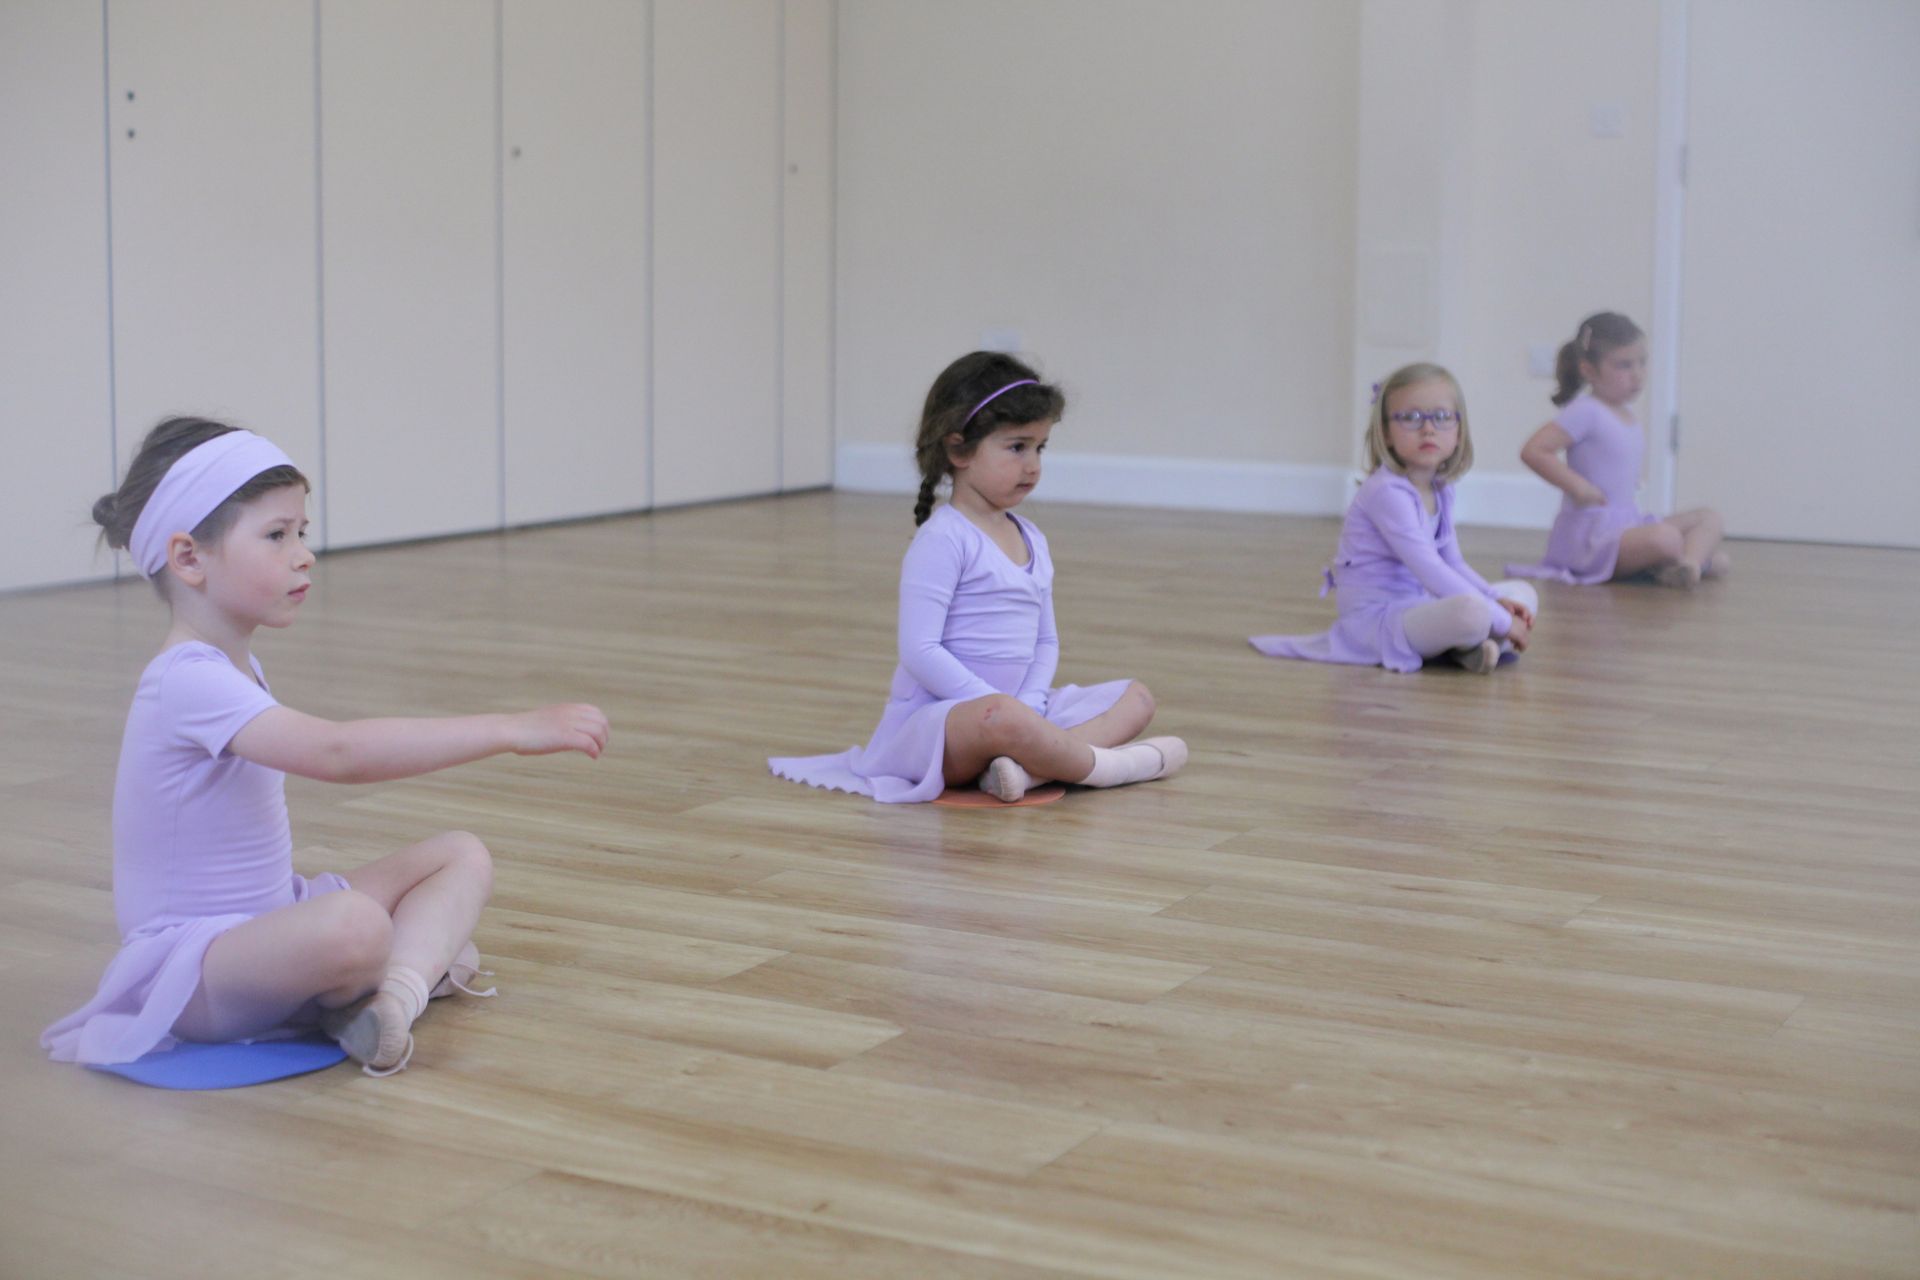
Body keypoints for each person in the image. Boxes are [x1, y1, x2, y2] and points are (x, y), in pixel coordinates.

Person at [42, 418, 608, 1075]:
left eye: (301, 533)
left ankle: (387, 1005)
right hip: (192, 971)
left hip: (269, 921)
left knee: (460, 857)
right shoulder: (185, 678)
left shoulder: (229, 663)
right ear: (190, 557)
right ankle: (389, 982)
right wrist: (513, 728)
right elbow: (338, 754)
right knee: (362, 929)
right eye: (277, 535)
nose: (303, 553)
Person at [770, 352, 1185, 803]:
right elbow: (919, 650)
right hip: (944, 723)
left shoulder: (1033, 539)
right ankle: (1105, 768)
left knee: (1136, 697)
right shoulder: (943, 540)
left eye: (1040, 448)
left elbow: (1045, 642)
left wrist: (1032, 705)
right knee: (1002, 719)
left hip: (1014, 711)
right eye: (1017, 447)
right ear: (958, 450)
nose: (1033, 465)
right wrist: (1002, 708)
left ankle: (1029, 772)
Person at [1252, 363, 1538, 674]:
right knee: (1473, 612)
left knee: (1523, 594)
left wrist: (1497, 600)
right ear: (1386, 433)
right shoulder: (1386, 492)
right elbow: (1430, 569)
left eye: (1441, 417)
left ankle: (1467, 648)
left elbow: (1452, 562)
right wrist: (1499, 618)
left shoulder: (1441, 488)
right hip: (1377, 619)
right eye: (1411, 418)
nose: (1428, 428)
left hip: (1421, 603)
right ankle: (1466, 645)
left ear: (1458, 431)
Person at [1508, 311, 1727, 587]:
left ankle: (1688, 566)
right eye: (1624, 365)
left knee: (1710, 519)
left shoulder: (1625, 413)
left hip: (1626, 523)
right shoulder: (1586, 411)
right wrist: (1577, 486)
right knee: (1667, 538)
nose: (1637, 375)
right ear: (1588, 370)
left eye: (1642, 363)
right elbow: (1534, 450)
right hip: (1590, 533)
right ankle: (1671, 561)